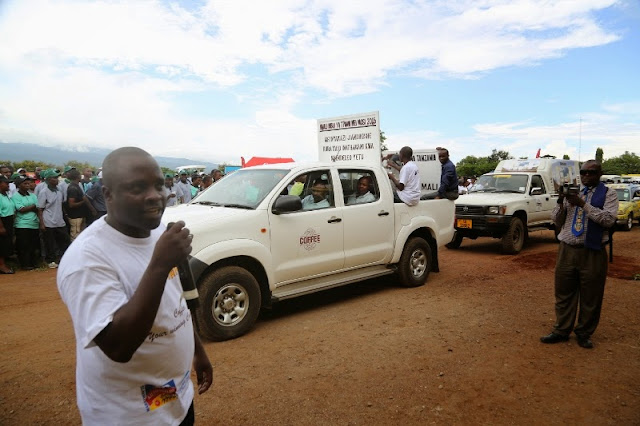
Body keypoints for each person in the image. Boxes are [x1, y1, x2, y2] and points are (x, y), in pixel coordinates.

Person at [57, 147, 212, 425]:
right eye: (138, 188)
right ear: (108, 194)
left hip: (174, 398)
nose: (155, 195)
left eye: (159, 185)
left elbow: (175, 302)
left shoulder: (158, 232)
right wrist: (160, 264)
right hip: (129, 415)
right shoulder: (86, 259)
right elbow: (118, 346)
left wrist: (197, 351)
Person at [540, 160, 618, 349]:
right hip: (567, 249)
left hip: (593, 251)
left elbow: (608, 220)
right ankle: (561, 330)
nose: (586, 176)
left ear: (600, 174)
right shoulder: (573, 192)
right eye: (583, 172)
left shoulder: (609, 194)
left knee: (591, 295)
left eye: (591, 173)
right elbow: (556, 220)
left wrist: (583, 204)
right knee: (563, 293)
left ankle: (584, 333)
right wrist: (561, 200)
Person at [38, 169, 70, 268]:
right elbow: (40, 209)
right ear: (48, 179)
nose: (57, 179)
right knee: (50, 242)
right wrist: (42, 223)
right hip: (48, 221)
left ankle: (62, 259)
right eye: (54, 178)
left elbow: (61, 205)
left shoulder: (59, 190)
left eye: (57, 177)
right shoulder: (44, 192)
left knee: (64, 240)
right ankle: (50, 260)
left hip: (59, 220)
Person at [11, 176, 40, 270]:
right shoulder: (15, 196)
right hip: (22, 224)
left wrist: (31, 207)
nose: (28, 185)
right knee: (23, 246)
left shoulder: (32, 195)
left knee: (33, 245)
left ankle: (33, 263)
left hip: (34, 223)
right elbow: (21, 209)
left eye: (28, 183)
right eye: (25, 183)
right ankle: (24, 264)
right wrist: (33, 206)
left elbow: (38, 207)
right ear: (19, 185)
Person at [66, 169, 97, 241]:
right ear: (78, 176)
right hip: (75, 216)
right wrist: (83, 202)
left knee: (80, 234)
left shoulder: (76, 186)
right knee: (75, 235)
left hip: (79, 215)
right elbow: (71, 204)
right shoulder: (73, 188)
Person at [0, 175, 16, 274]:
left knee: (6, 244)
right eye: (6, 183)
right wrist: (1, 227)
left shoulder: (5, 195)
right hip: (2, 221)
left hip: (9, 221)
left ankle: (3, 263)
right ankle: (2, 266)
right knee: (1, 245)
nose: (8, 185)